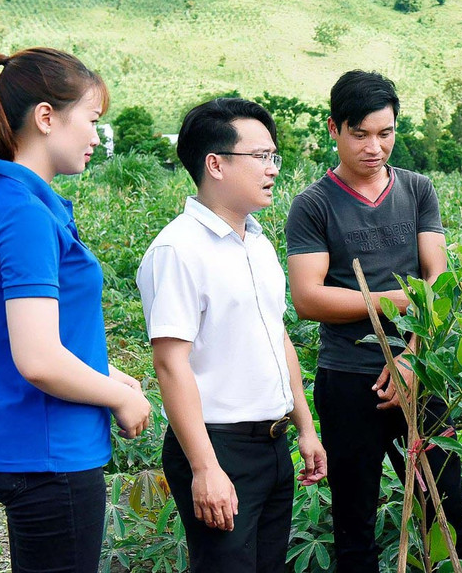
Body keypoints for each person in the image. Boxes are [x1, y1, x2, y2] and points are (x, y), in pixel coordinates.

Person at [0, 48, 151, 573]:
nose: (96, 137)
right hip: (49, 453)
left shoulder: (23, 202)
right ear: (45, 117)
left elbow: (47, 335)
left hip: (43, 446)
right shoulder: (24, 213)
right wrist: (118, 399)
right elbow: (37, 357)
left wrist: (108, 373)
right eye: (92, 120)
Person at [285, 70, 462, 571]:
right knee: (355, 519)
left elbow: (439, 277)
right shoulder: (313, 205)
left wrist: (412, 354)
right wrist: (399, 300)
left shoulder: (417, 190)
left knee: (447, 506)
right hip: (348, 377)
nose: (375, 146)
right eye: (360, 134)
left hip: (421, 370)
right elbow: (308, 298)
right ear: (334, 129)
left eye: (385, 133)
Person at [136, 97, 326, 573]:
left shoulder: (257, 242)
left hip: (272, 441)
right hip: (218, 445)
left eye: (273, 157)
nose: (272, 169)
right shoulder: (177, 249)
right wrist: (205, 467)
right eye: (260, 156)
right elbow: (170, 363)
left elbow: (276, 337)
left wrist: (304, 428)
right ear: (215, 164)